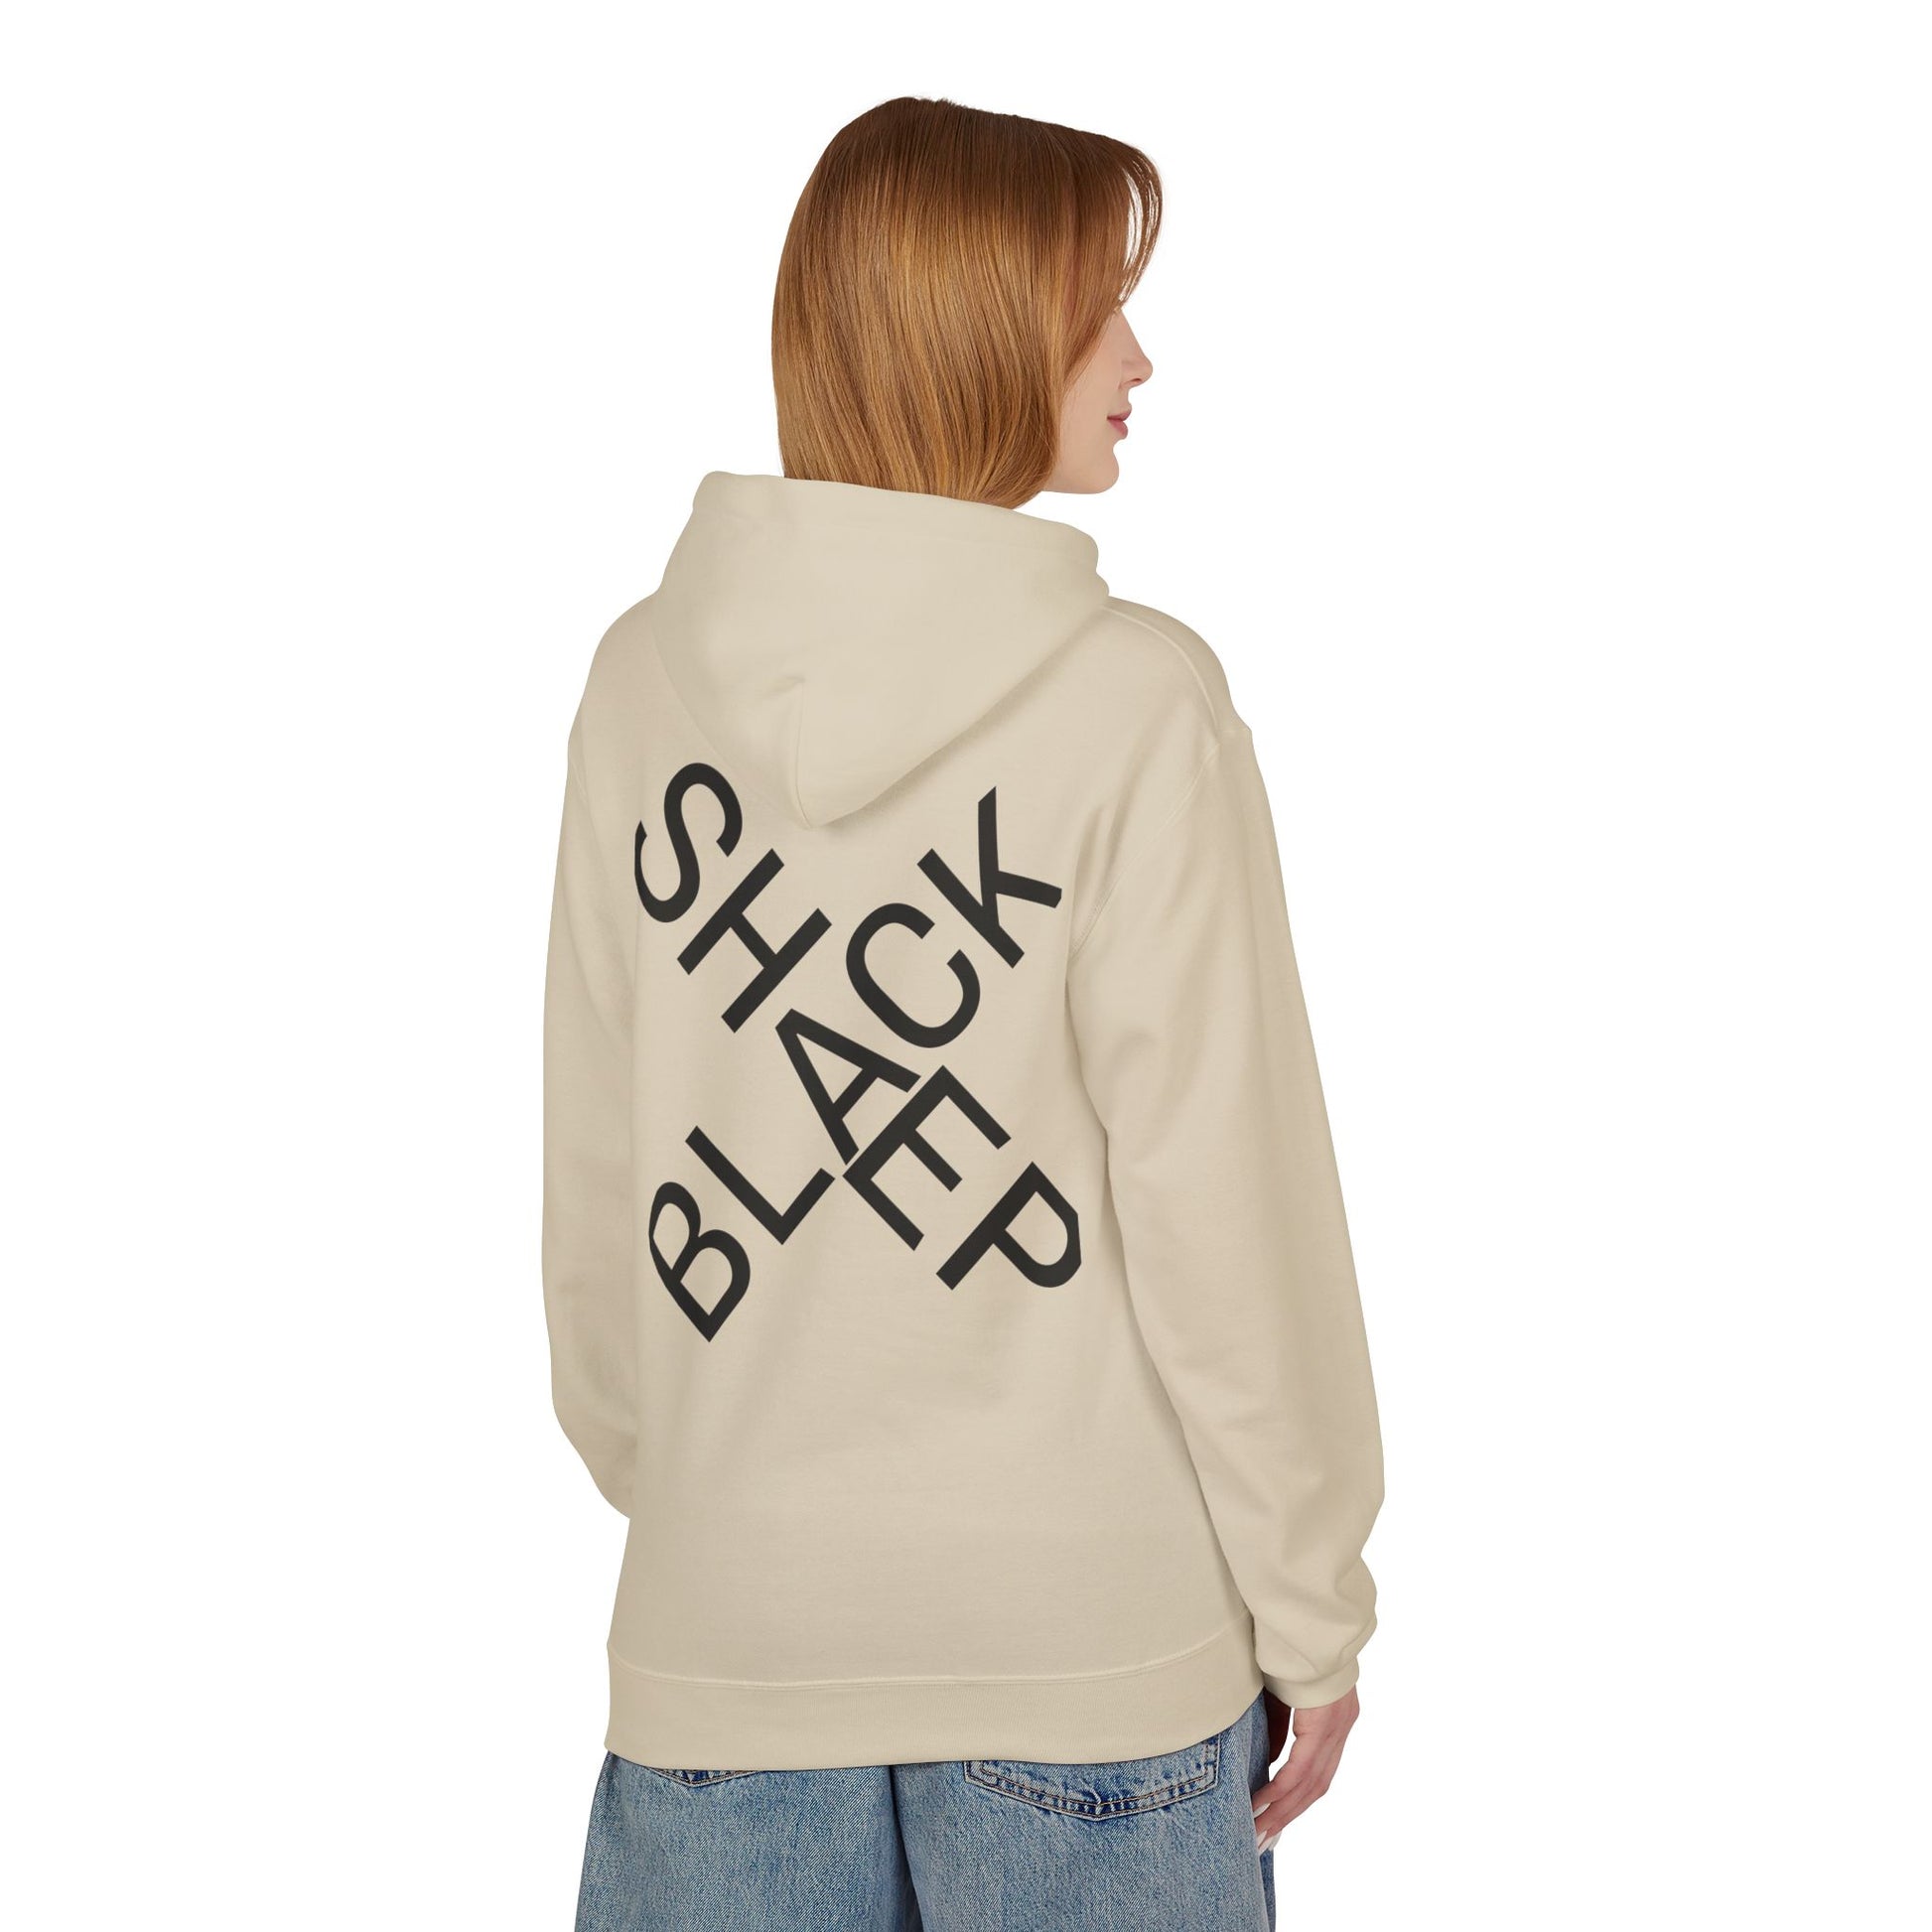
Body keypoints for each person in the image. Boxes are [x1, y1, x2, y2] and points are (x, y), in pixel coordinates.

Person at [543, 94, 1384, 1932]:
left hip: (724, 1645)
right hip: (1090, 1658)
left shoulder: (638, 684)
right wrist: (1309, 1598)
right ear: (981, 331)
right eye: (1097, 308)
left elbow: (601, 1179)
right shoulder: (1135, 703)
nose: (1139, 356)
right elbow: (1224, 1204)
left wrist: (723, 1504)